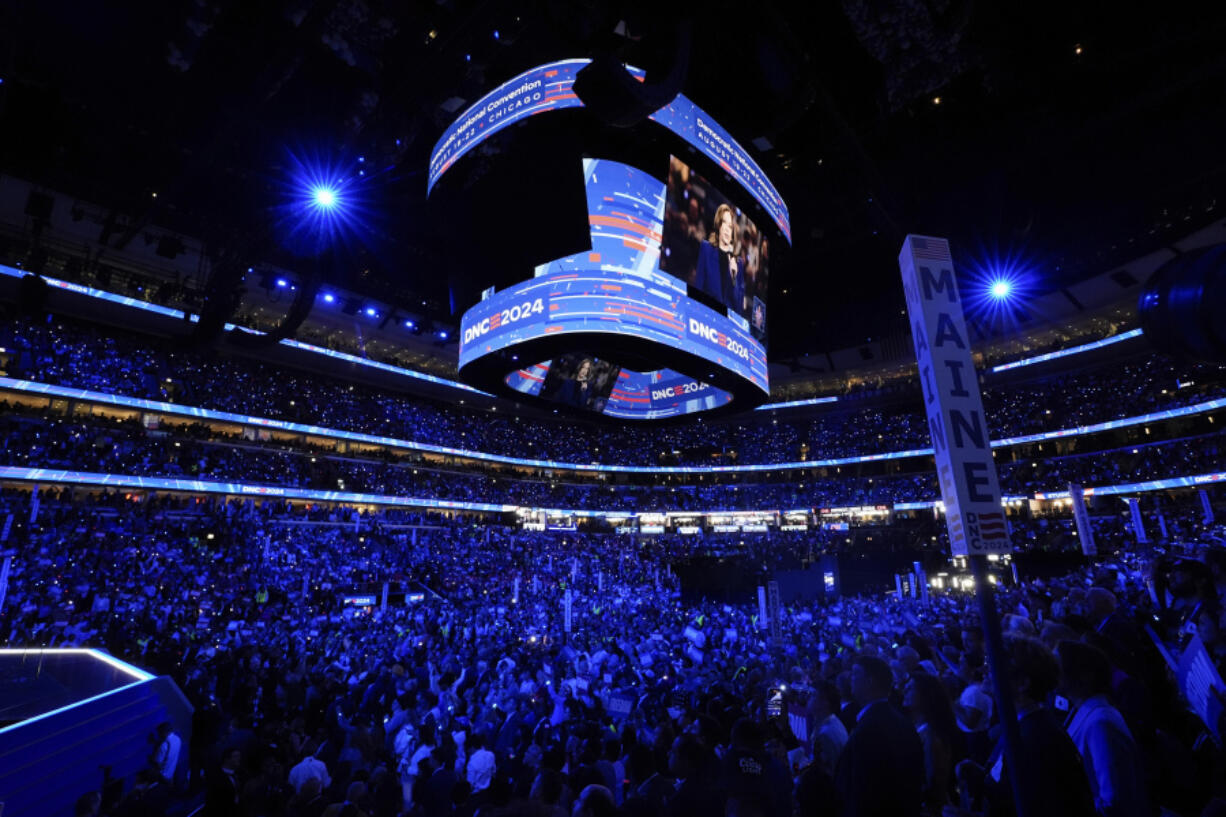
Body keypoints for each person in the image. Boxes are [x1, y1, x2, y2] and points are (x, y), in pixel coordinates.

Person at [1057, 640, 1150, 817]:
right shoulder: (1087, 710)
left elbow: (1112, 798)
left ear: (1083, 675)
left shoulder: (1100, 723)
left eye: (1058, 664)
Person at [834, 655, 925, 817]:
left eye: (855, 674)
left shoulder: (868, 731)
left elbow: (861, 791)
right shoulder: (901, 722)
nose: (850, 678)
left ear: (870, 681)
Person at [694, 203, 746, 314]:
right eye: (724, 223)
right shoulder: (706, 249)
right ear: (719, 225)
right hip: (705, 316)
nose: (727, 230)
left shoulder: (738, 264)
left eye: (730, 226)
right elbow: (698, 289)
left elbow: (739, 309)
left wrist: (734, 278)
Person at [812, 680, 849, 777]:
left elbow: (824, 775)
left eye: (814, 695)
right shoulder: (830, 722)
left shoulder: (826, 735)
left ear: (825, 703)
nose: (810, 698)